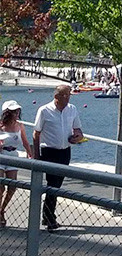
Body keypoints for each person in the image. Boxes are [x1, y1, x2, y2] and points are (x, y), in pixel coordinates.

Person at [33, 84, 83, 232]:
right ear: (56, 96)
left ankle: (46, 215)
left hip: (64, 151)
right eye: (65, 95)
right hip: (49, 150)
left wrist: (77, 137)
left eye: (69, 95)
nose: (67, 98)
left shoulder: (72, 109)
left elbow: (78, 130)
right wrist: (36, 155)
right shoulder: (44, 110)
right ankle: (49, 218)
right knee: (52, 184)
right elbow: (36, 133)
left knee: (57, 184)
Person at [0, 100, 33, 228]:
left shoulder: (20, 126)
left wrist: (29, 153)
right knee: (1, 187)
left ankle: (2, 209)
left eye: (17, 111)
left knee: (12, 186)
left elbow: (25, 141)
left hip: (13, 156)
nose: (16, 113)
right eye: (14, 111)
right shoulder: (0, 125)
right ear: (7, 112)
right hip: (1, 156)